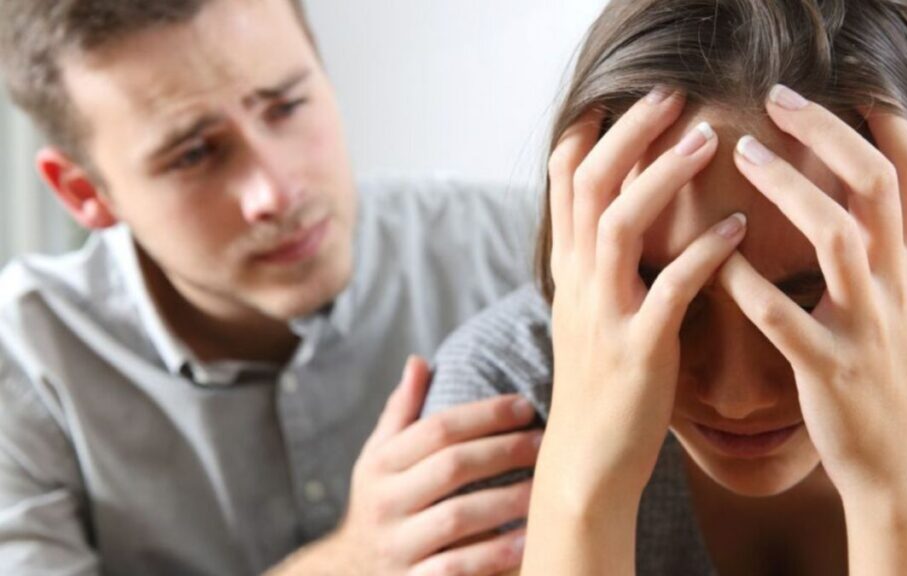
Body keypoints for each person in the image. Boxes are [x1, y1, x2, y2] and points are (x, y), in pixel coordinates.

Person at [422, 0, 907, 573]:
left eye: (807, 298)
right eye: (667, 296)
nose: (739, 397)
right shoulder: (504, 407)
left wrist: (899, 482)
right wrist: (583, 488)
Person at [0, 0, 542, 574]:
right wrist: (352, 561)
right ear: (84, 192)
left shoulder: (525, 248)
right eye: (194, 154)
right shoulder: (23, 369)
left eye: (286, 106)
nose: (276, 193)